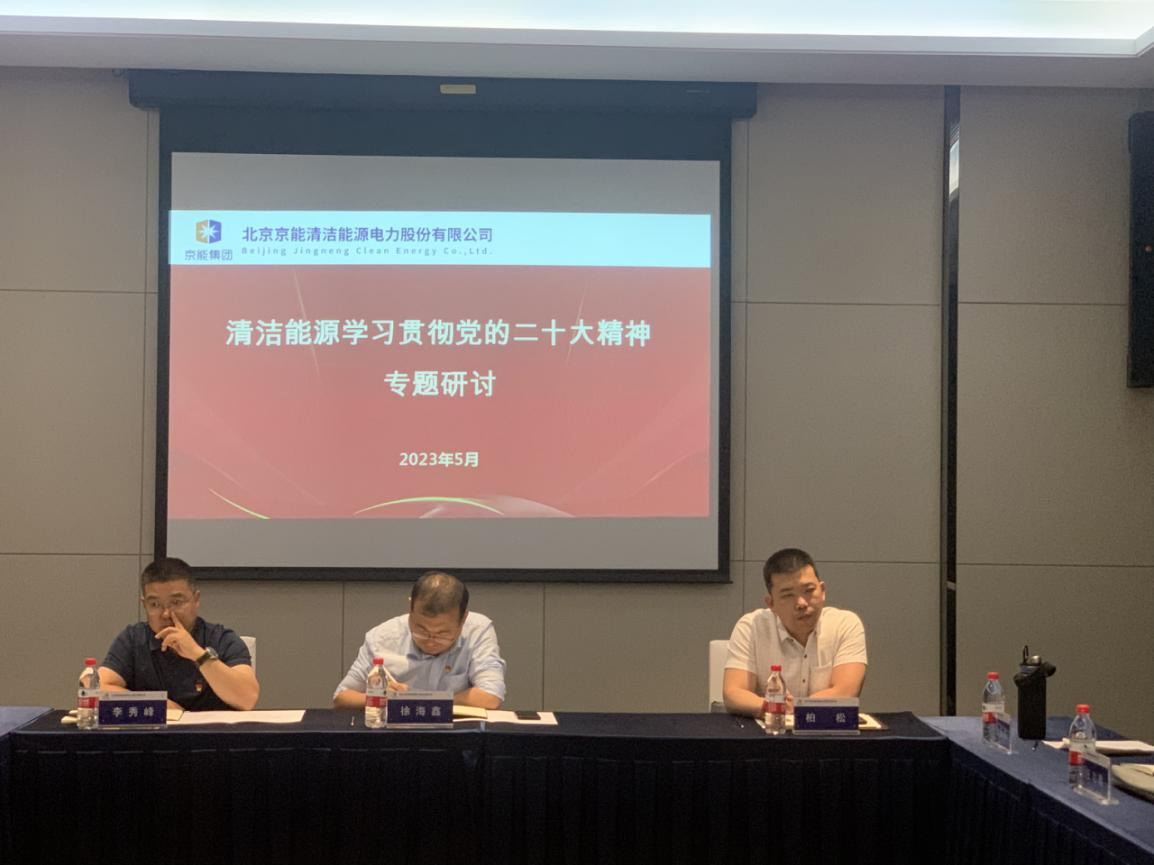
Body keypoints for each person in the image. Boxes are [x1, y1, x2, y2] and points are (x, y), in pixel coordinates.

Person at [98, 558, 260, 711]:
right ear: (144, 604)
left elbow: (247, 699)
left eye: (176, 602)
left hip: (211, 731)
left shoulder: (221, 639)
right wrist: (157, 704)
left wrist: (197, 654)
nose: (166, 614)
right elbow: (98, 688)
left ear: (196, 600)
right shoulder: (133, 639)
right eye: (155, 604)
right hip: (155, 731)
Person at [722, 547, 866, 717]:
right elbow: (733, 693)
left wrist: (797, 709)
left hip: (826, 730)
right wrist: (774, 707)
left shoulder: (845, 624)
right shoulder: (751, 626)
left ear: (823, 591)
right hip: (771, 729)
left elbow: (846, 691)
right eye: (788, 595)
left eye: (809, 590)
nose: (801, 603)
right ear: (771, 604)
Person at [333, 570, 506, 710]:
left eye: (443, 634)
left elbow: (491, 696)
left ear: (463, 619)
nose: (431, 641)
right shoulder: (382, 637)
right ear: (410, 608)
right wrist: (379, 697)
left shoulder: (477, 630)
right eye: (421, 630)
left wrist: (417, 703)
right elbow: (341, 698)